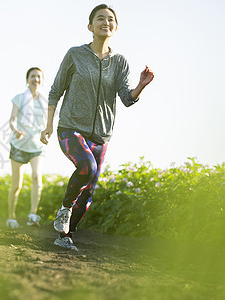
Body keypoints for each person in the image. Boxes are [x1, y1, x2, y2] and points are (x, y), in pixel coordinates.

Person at [40, 4, 154, 249]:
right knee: (86, 166)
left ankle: (65, 236)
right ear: (90, 27)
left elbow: (126, 98)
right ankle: (65, 208)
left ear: (115, 27)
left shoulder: (120, 62)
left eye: (110, 19)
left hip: (101, 135)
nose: (106, 22)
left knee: (88, 193)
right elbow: (55, 90)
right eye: (100, 18)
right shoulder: (75, 55)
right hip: (70, 127)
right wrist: (48, 125)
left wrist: (141, 85)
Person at [6, 67, 48, 229]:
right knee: (17, 184)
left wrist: (46, 132)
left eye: (38, 77)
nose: (35, 79)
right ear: (27, 79)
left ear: (41, 80)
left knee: (37, 176)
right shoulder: (19, 98)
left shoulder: (46, 100)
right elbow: (12, 120)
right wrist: (16, 131)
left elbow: (48, 122)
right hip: (19, 145)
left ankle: (33, 214)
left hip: (37, 146)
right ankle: (11, 216)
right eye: (32, 76)